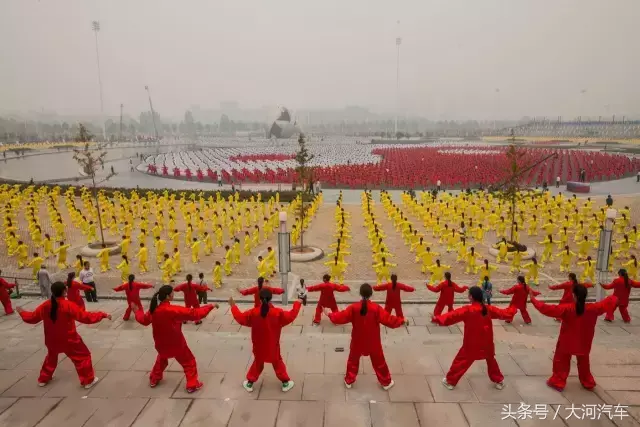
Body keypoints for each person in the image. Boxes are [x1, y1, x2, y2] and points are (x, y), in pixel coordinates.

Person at [17, 281, 111, 388]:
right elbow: (85, 317)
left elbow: (32, 317)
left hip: (51, 339)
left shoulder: (45, 306)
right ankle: (88, 380)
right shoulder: (68, 305)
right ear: (64, 291)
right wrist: (102, 314)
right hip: (69, 339)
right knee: (83, 357)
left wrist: (22, 312)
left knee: (51, 357)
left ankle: (43, 379)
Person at [530, 284, 618, 391]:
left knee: (561, 361)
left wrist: (533, 300)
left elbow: (547, 309)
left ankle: (558, 381)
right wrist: (616, 295)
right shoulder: (594, 308)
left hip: (567, 340)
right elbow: (609, 301)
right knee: (584, 362)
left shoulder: (567, 309)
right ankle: (587, 381)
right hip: (584, 340)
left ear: (574, 295)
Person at [133, 285, 216, 392]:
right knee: (189, 362)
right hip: (177, 345)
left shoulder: (153, 310)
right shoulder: (172, 310)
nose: (173, 294)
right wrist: (210, 306)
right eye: (172, 293)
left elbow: (143, 320)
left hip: (160, 345)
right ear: (168, 296)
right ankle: (192, 384)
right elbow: (194, 314)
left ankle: (154, 379)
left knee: (161, 360)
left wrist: (137, 311)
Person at [327, 283, 407, 390]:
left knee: (353, 361)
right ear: (371, 295)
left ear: (360, 294)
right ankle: (386, 382)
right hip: (373, 341)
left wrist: (329, 314)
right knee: (379, 362)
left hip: (357, 340)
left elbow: (340, 317)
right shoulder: (376, 308)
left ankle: (349, 380)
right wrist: (402, 321)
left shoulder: (353, 308)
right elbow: (389, 320)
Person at [435, 287, 515, 390]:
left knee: (460, 362)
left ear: (471, 297)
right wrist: (513, 308)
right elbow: (504, 313)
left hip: (472, 342)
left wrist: (437, 319)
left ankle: (450, 381)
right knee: (491, 361)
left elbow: (452, 316)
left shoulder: (468, 310)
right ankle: (499, 380)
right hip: (487, 342)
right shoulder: (488, 309)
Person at [229, 289, 302, 393]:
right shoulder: (277, 313)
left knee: (258, 362)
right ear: (271, 299)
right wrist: (297, 304)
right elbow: (291, 316)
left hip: (258, 345)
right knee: (277, 362)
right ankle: (285, 382)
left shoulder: (253, 313)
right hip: (272, 344)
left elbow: (240, 318)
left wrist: (233, 306)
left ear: (259, 298)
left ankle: (250, 382)